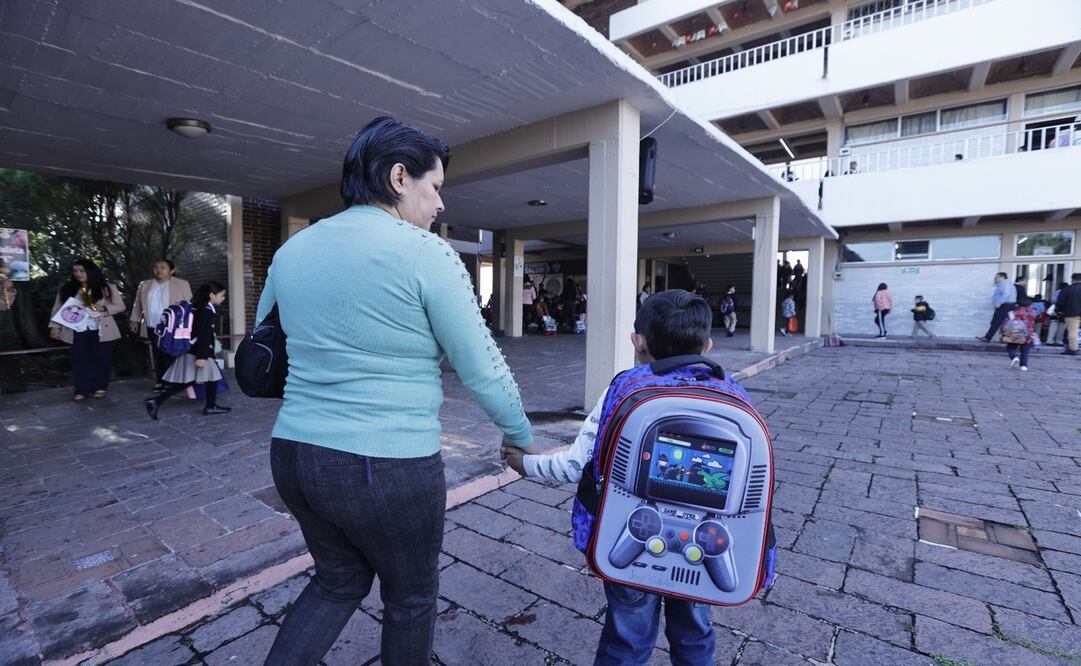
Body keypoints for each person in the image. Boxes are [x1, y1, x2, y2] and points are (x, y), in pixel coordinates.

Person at [258, 116, 532, 666]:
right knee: (409, 599)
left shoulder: (292, 251)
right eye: (435, 188)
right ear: (399, 177)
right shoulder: (424, 253)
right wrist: (519, 436)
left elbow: (264, 351)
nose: (440, 205)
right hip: (387, 464)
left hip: (293, 453)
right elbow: (481, 364)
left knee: (337, 582)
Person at [502, 290, 739, 666]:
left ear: (637, 341)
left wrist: (525, 463)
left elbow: (576, 465)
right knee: (695, 634)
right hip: (701, 547)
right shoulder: (731, 398)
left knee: (627, 640)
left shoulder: (625, 389)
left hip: (632, 541)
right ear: (707, 346)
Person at [144, 281, 230, 418]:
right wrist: (202, 357)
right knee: (198, 379)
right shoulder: (206, 311)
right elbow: (203, 335)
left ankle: (210, 406)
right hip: (200, 352)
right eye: (221, 295)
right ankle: (155, 401)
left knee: (206, 379)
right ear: (211, 295)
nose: (223, 298)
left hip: (192, 350)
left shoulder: (195, 308)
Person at [48, 259, 125, 401]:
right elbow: (57, 308)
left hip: (101, 329)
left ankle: (100, 387)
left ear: (91, 271)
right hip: (76, 329)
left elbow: (120, 306)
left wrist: (103, 307)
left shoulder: (107, 287)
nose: (78, 274)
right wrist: (55, 326)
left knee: (102, 359)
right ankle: (81, 390)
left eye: (82, 271)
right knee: (79, 360)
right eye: (75, 271)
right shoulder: (66, 288)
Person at [130, 259, 193, 390]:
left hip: (173, 326)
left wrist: (189, 324)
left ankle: (173, 382)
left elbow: (189, 305)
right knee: (158, 353)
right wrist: (134, 320)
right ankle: (161, 381)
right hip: (153, 325)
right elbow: (138, 304)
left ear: (172, 271)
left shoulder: (181, 284)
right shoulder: (145, 285)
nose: (159, 270)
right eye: (156, 267)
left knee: (171, 352)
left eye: (163, 267)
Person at [977, 272, 1017, 343]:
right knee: (1009, 322)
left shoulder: (1005, 284)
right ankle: (1009, 338)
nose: (996, 279)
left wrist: (999, 302)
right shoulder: (1007, 284)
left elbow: (1006, 294)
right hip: (1009, 305)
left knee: (996, 322)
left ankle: (987, 338)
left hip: (1005, 305)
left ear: (1002, 277)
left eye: (997, 277)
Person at [1003, 297, 1037, 371]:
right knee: (1025, 350)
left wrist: (1003, 333)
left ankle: (1014, 357)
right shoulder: (1033, 313)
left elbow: (1006, 324)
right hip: (1027, 335)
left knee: (1011, 347)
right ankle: (1024, 366)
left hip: (1014, 334)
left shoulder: (1012, 313)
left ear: (1017, 305)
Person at [1055, 272, 1081, 356]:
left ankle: (1073, 349)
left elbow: (1060, 303)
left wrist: (1058, 310)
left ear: (1072, 279)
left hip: (1072, 313)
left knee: (1073, 332)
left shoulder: (1067, 289)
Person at [1046, 282, 1069, 346]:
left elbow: (1053, 301)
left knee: (1053, 326)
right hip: (1063, 311)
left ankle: (1049, 340)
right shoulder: (1066, 292)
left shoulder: (1056, 292)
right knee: (1062, 327)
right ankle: (1059, 341)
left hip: (1055, 310)